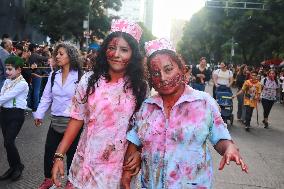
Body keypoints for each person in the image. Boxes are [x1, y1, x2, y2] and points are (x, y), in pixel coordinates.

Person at [122, 38, 248, 189]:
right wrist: (127, 174)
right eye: (156, 73)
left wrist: (229, 148)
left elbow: (221, 138)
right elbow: (135, 141)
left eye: (168, 69)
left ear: (181, 69)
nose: (163, 78)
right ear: (151, 80)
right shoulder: (147, 107)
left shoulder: (204, 103)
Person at [51, 19, 148, 189]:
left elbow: (139, 128)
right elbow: (77, 118)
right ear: (105, 51)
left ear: (133, 54)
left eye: (124, 50)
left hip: (117, 171)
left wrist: (138, 153)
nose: (116, 54)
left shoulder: (140, 87)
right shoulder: (88, 80)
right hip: (85, 164)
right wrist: (59, 155)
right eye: (111, 48)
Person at [33, 43, 83, 189]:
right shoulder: (54, 75)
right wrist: (39, 114)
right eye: (57, 54)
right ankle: (48, 179)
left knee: (73, 154)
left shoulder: (81, 75)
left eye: (61, 53)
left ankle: (71, 181)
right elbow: (46, 97)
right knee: (49, 151)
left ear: (71, 56)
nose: (57, 56)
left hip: (73, 122)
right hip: (55, 120)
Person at [0, 56, 29, 181]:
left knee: (9, 142)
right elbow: (2, 96)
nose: (7, 72)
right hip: (4, 113)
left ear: (19, 70)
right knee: (7, 144)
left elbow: (5, 97)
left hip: (16, 115)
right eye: (6, 69)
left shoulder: (22, 84)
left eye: (10, 69)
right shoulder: (7, 81)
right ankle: (13, 167)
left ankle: (18, 167)